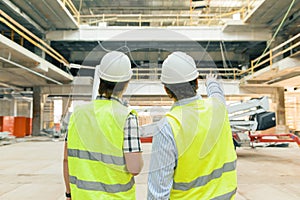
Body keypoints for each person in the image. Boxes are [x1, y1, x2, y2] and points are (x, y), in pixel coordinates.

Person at [147, 51, 237, 199]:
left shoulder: (168, 127)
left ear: (166, 89)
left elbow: (158, 194)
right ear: (196, 81)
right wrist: (211, 82)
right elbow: (217, 93)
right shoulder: (218, 108)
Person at [63, 51, 143, 200]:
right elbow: (135, 168)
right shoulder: (127, 117)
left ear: (100, 78)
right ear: (127, 81)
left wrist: (69, 193)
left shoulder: (77, 114)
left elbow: (67, 159)